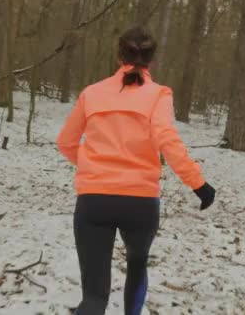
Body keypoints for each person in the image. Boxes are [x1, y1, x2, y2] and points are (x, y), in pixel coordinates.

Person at [57, 25, 216, 315]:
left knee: (93, 298)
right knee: (137, 265)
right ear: (151, 60)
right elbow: (166, 139)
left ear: (119, 56)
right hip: (140, 202)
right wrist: (198, 184)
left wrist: (95, 167)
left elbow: (66, 142)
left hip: (94, 201)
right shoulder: (159, 95)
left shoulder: (92, 93)